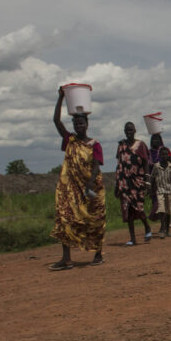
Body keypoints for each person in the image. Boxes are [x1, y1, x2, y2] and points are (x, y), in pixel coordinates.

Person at [49, 87, 105, 270]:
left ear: (87, 124)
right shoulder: (70, 140)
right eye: (76, 124)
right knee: (65, 217)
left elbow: (96, 165)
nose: (79, 126)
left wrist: (90, 184)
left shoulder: (95, 144)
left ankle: (98, 253)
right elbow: (56, 121)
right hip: (70, 187)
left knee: (94, 218)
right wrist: (60, 98)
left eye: (81, 123)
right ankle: (66, 258)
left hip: (90, 186)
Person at [114, 122, 152, 246]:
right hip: (124, 183)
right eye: (126, 130)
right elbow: (119, 164)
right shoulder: (121, 146)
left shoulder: (140, 145)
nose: (128, 132)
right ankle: (133, 238)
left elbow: (146, 162)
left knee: (139, 208)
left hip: (137, 182)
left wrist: (147, 180)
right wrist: (117, 184)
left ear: (135, 130)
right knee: (128, 209)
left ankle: (147, 227)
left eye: (130, 129)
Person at [150, 148, 171, 237]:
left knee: (168, 211)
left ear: (168, 156)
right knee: (161, 209)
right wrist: (151, 189)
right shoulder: (156, 166)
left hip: (169, 190)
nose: (164, 156)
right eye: (163, 154)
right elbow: (152, 177)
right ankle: (162, 229)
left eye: (166, 154)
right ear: (160, 156)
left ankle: (167, 230)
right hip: (160, 190)